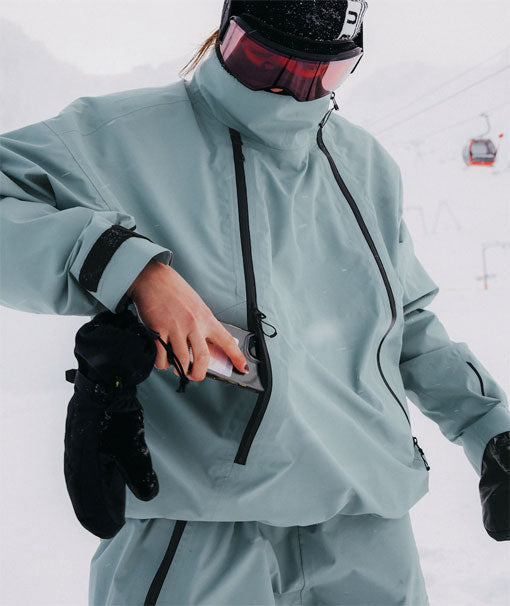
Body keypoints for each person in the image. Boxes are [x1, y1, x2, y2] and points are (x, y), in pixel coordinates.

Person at [1, 1, 509, 604]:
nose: (285, 91)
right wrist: (132, 271)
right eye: (263, 61)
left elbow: (408, 325)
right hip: (198, 526)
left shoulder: (365, 165)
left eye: (316, 75)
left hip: (366, 525)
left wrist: (491, 428)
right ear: (226, 32)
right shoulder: (123, 137)